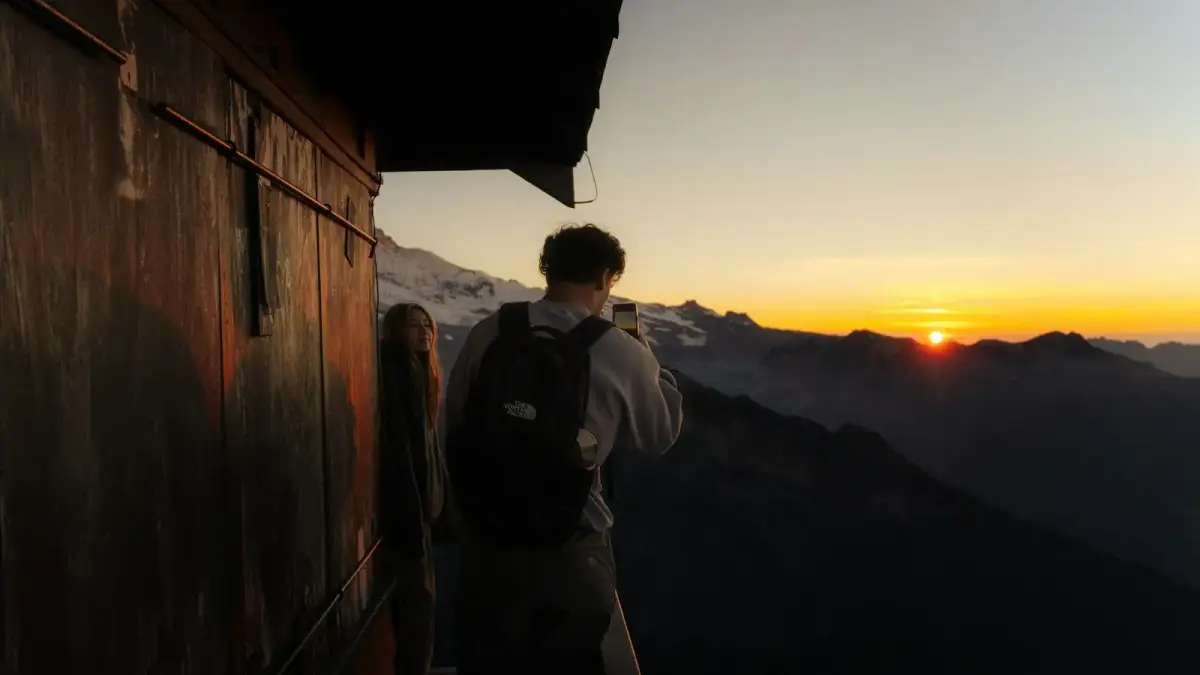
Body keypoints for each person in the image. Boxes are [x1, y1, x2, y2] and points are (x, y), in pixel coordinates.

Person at [443, 223, 685, 675]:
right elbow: (658, 435)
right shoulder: (621, 350)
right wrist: (654, 369)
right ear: (604, 279)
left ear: (547, 271)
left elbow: (454, 422)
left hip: (488, 543)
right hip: (571, 550)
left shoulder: (491, 330)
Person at [379, 302, 446, 675]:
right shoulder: (401, 373)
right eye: (413, 326)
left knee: (418, 609)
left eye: (427, 325)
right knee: (416, 611)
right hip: (410, 517)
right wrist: (414, 519)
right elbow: (403, 452)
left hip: (419, 513)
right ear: (395, 331)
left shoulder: (417, 373)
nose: (423, 333)